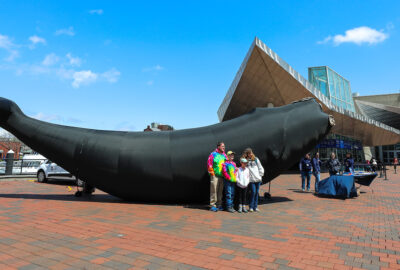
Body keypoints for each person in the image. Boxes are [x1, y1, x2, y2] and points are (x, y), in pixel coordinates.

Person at [207, 142, 227, 212]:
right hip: (215, 175)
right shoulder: (213, 154)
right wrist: (212, 173)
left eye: (224, 146)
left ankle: (219, 205)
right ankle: (212, 205)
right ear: (218, 147)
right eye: (222, 146)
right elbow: (209, 164)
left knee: (220, 191)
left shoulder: (224, 155)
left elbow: (227, 164)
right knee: (214, 190)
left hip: (222, 176)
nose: (224, 147)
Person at [242, 148, 264, 212]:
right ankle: (251, 206)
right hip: (251, 180)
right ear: (247, 154)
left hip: (258, 179)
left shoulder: (256, 159)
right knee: (253, 192)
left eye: (251, 152)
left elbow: (260, 167)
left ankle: (255, 207)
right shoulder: (246, 161)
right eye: (249, 153)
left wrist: (260, 175)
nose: (251, 154)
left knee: (256, 193)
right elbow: (243, 167)